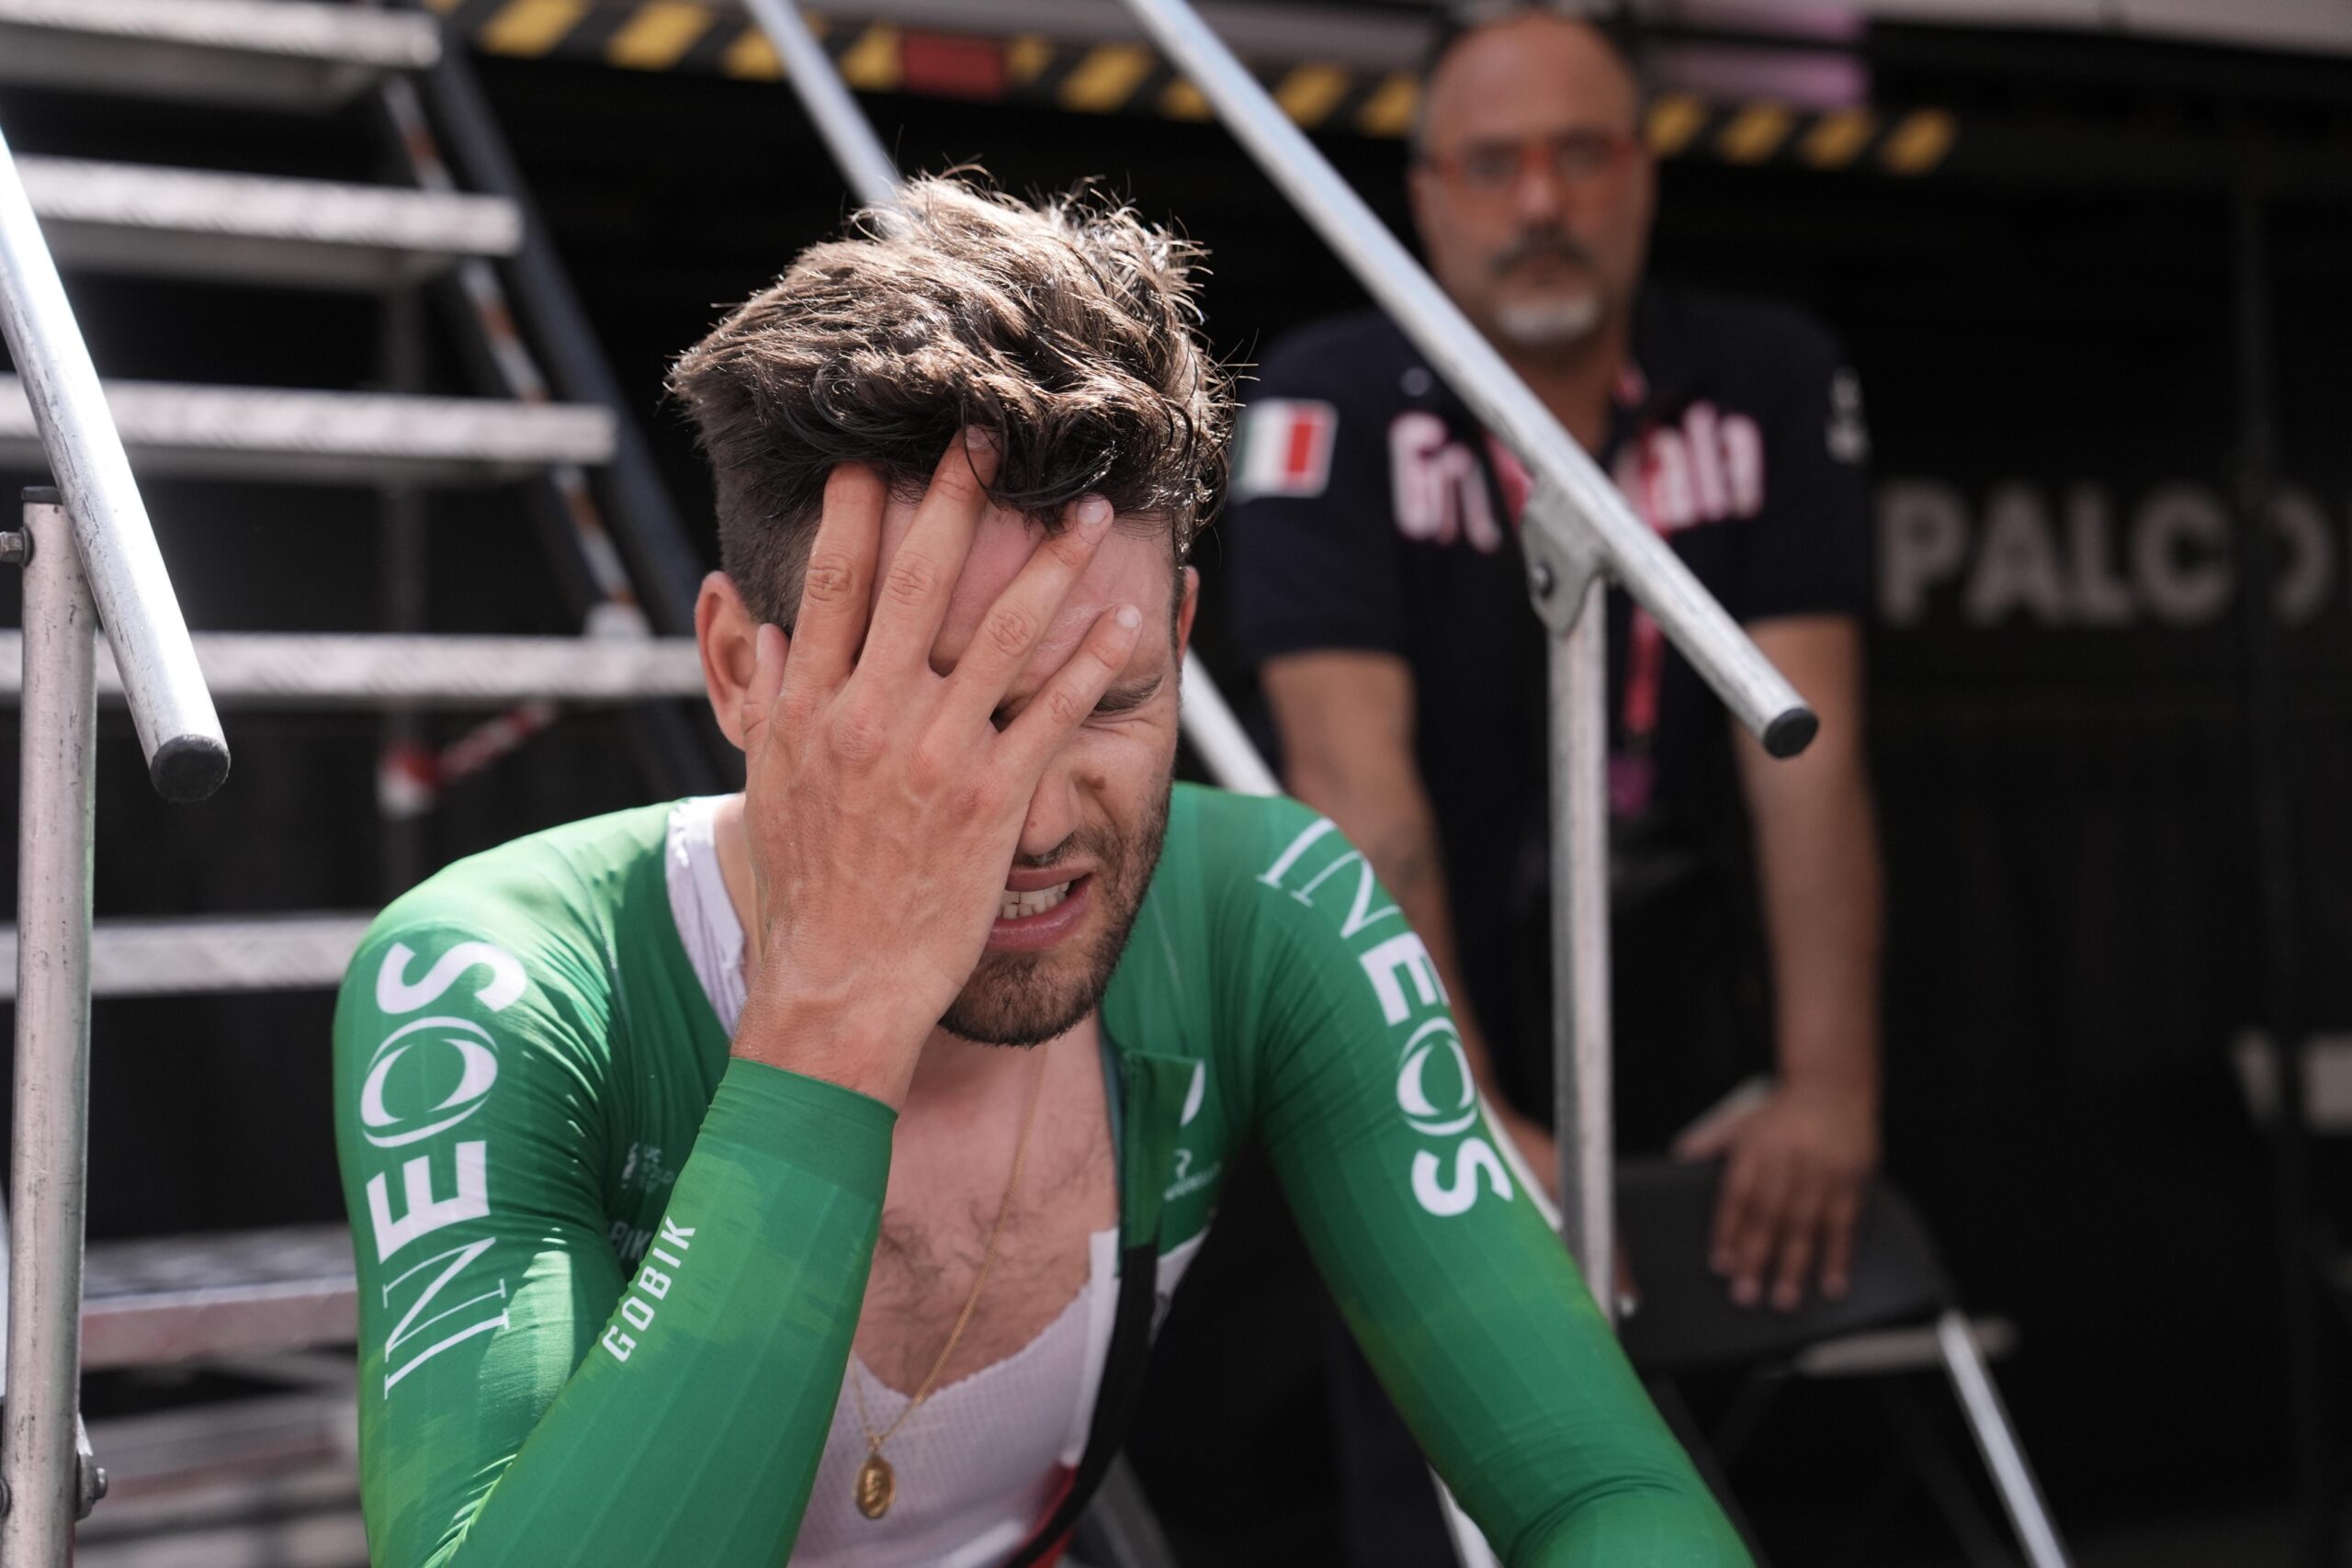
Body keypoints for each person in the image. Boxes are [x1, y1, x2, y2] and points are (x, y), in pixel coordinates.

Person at [332, 177, 1746, 1568]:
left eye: (1107, 702)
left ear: (1181, 637)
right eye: (932, 705)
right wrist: (831, 1016)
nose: (1030, 815)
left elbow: (1603, 1489)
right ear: (735, 669)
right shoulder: (492, 981)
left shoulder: (1267, 909)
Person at [1226, 7, 1881, 1561]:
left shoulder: (1765, 376)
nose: (1540, 204)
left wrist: (1831, 1086)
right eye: (1494, 163)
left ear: (1644, 172)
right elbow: (1352, 782)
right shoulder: (1334, 396)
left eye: (1581, 156)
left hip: (1681, 1002)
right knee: (1448, 1466)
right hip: (1428, 1018)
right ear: (1425, 191)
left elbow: (1809, 750)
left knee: (1711, 1472)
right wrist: (1453, 1118)